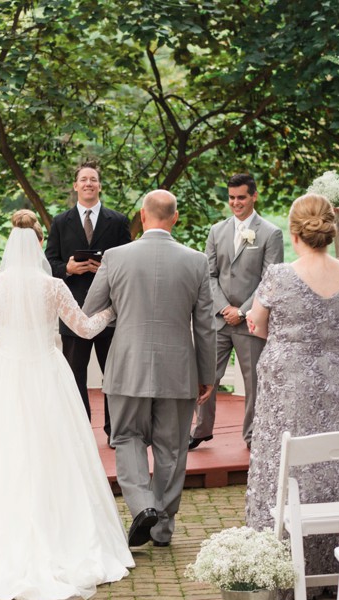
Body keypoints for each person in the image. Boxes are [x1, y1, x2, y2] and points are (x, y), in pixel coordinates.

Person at [0, 209, 133, 600]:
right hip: (47, 374)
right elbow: (85, 327)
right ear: (39, 243)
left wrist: (12, 346)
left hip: (6, 375)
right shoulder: (52, 287)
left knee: (7, 453)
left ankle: (6, 532)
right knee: (56, 451)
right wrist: (112, 310)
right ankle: (63, 532)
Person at [84, 190, 217, 547]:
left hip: (127, 366)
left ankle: (142, 506)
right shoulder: (196, 261)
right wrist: (208, 375)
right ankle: (162, 527)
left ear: (142, 216)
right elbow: (205, 325)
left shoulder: (115, 257)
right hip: (178, 370)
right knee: (172, 448)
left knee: (126, 437)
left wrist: (124, 313)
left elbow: (91, 309)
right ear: (174, 218)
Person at [243, 193, 339, 590]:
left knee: (285, 468)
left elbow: (256, 324)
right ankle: (336, 570)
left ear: (295, 234)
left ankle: (281, 574)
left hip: (289, 387)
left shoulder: (279, 277)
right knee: (335, 467)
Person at [189, 173, 283, 451]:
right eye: (231, 198)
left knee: (253, 382)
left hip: (251, 321)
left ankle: (253, 435)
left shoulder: (271, 233)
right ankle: (201, 429)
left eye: (241, 197)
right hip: (218, 319)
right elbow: (209, 274)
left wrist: (241, 312)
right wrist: (223, 308)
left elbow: (271, 280)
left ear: (254, 196)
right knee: (206, 376)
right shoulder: (216, 231)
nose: (235, 202)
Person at [45, 162, 131, 443]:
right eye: (83, 179)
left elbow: (128, 262)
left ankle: (114, 431)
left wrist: (107, 266)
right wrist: (68, 269)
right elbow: (49, 264)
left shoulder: (118, 221)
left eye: (93, 179)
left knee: (113, 376)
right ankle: (80, 433)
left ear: (100, 185)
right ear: (75, 186)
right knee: (74, 377)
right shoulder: (60, 222)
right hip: (72, 311)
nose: (88, 184)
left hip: (109, 312)